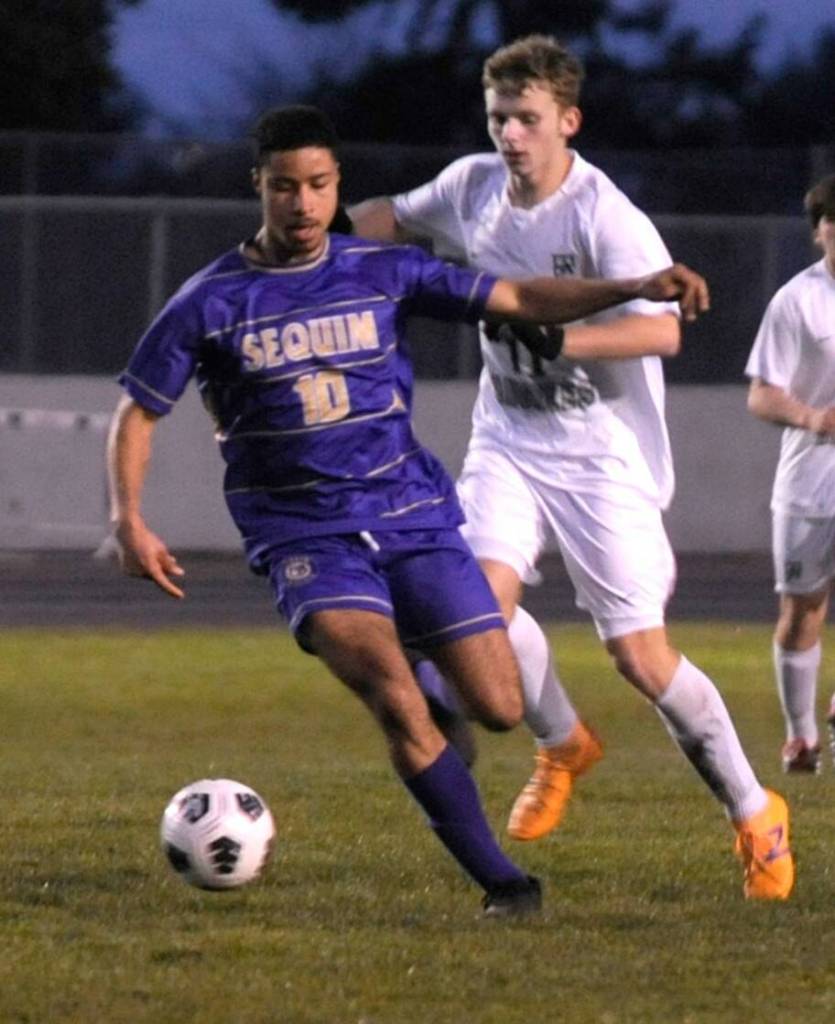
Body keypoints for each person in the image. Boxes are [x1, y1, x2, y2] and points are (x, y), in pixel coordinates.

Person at [106, 103, 708, 917]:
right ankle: (505, 884)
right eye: (284, 187)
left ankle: (432, 673)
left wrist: (634, 286)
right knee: (390, 695)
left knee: (499, 708)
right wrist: (129, 520)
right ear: (259, 187)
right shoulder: (210, 301)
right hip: (304, 534)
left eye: (318, 184)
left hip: (410, 514)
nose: (302, 203)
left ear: (336, 185)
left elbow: (518, 296)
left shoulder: (382, 269)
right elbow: (138, 411)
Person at [349, 35, 794, 899]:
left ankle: (754, 810)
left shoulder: (604, 215)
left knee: (641, 659)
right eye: (498, 118)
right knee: (470, 612)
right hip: (507, 438)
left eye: (525, 119)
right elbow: (388, 216)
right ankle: (562, 742)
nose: (509, 135)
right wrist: (317, 235)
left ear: (567, 121)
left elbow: (662, 330)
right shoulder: (471, 186)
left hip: (600, 452)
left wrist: (563, 339)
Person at [746, 173, 835, 775]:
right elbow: (761, 394)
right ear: (818, 232)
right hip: (810, 480)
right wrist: (813, 417)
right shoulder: (796, 300)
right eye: (832, 223)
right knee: (803, 610)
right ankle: (801, 736)